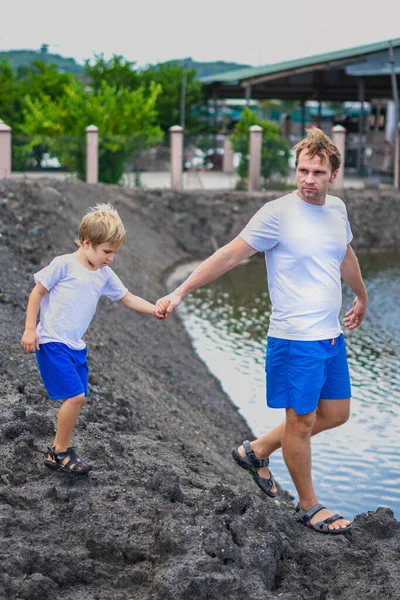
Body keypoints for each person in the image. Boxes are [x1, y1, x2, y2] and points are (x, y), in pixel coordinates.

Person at [156, 128, 367, 534]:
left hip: (329, 337)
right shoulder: (277, 213)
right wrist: (180, 290)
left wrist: (360, 296)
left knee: (336, 414)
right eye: (302, 170)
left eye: (317, 172)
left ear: (333, 176)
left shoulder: (337, 210)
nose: (308, 179)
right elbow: (229, 255)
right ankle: (309, 506)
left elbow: (345, 254)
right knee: (301, 423)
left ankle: (256, 451)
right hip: (294, 340)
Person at [21, 203, 166, 475]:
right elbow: (36, 294)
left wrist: (154, 308)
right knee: (75, 397)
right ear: (87, 243)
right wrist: (30, 329)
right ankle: (60, 452)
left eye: (114, 253)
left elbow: (128, 297)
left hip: (77, 346)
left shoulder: (104, 274)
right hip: (52, 341)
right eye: (107, 252)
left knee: (80, 397)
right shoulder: (63, 265)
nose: (111, 258)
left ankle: (58, 448)